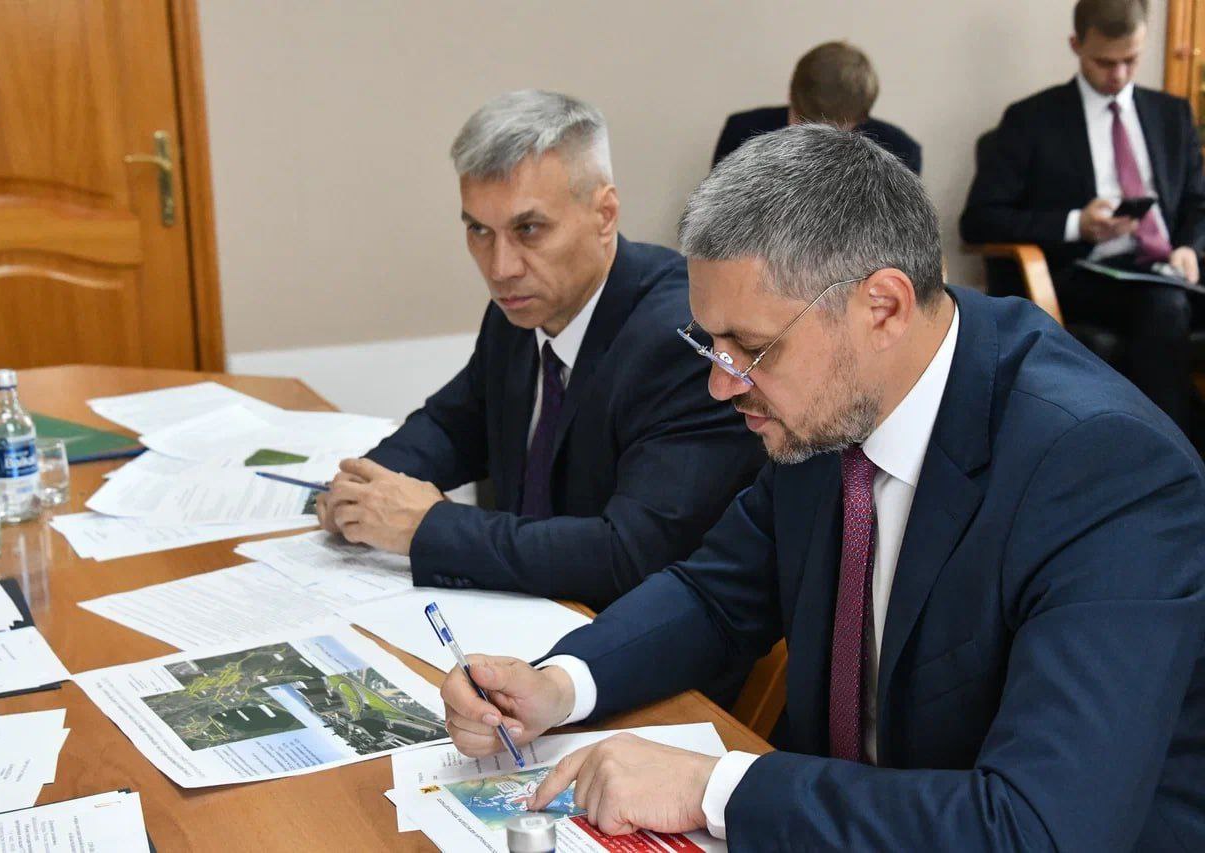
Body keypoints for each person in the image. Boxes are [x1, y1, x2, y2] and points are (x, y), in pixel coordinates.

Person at [439, 125, 1205, 849]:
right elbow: (716, 594)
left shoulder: (1106, 471)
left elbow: (1035, 829)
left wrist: (715, 788)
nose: (720, 383)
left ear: (884, 307)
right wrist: (559, 684)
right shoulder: (832, 401)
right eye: (709, 343)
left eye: (750, 347)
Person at [315, 90, 763, 612]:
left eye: (528, 229)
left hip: (621, 635)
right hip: (515, 615)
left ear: (605, 214)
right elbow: (454, 425)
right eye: (479, 230)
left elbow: (628, 553)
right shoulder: (522, 310)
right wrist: (364, 484)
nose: (500, 267)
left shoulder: (681, 339)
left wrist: (428, 528)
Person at [961, 0, 1205, 434]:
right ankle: (1172, 456)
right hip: (1086, 275)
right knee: (1165, 306)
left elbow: (1197, 202)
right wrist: (1077, 224)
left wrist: (1189, 247)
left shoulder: (1171, 115)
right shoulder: (1031, 120)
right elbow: (979, 220)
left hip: (1171, 270)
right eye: (1104, 62)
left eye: (1131, 60)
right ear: (1076, 45)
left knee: (1169, 299)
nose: (1119, 75)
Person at [712, 40, 921, 174]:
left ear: (860, 118)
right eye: (805, 123)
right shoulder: (742, 134)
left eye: (833, 129)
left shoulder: (899, 154)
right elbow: (715, 222)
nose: (816, 140)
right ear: (790, 95)